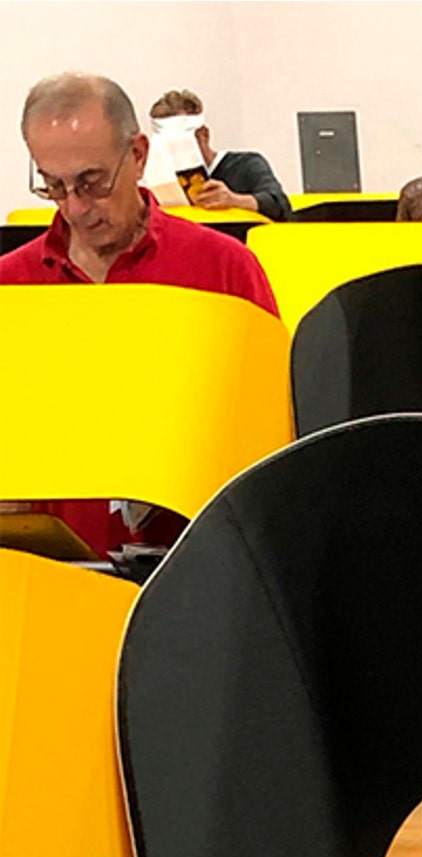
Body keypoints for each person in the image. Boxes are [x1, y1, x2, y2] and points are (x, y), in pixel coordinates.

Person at [2, 72, 280, 564]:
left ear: (137, 156)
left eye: (92, 182)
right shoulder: (11, 284)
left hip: (195, 568)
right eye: (54, 187)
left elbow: (270, 443)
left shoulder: (223, 268)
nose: (76, 208)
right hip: (49, 575)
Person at [148, 89, 291, 220]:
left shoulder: (246, 165)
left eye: (180, 143)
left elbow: (280, 205)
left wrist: (234, 200)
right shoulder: (162, 178)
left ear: (204, 135)